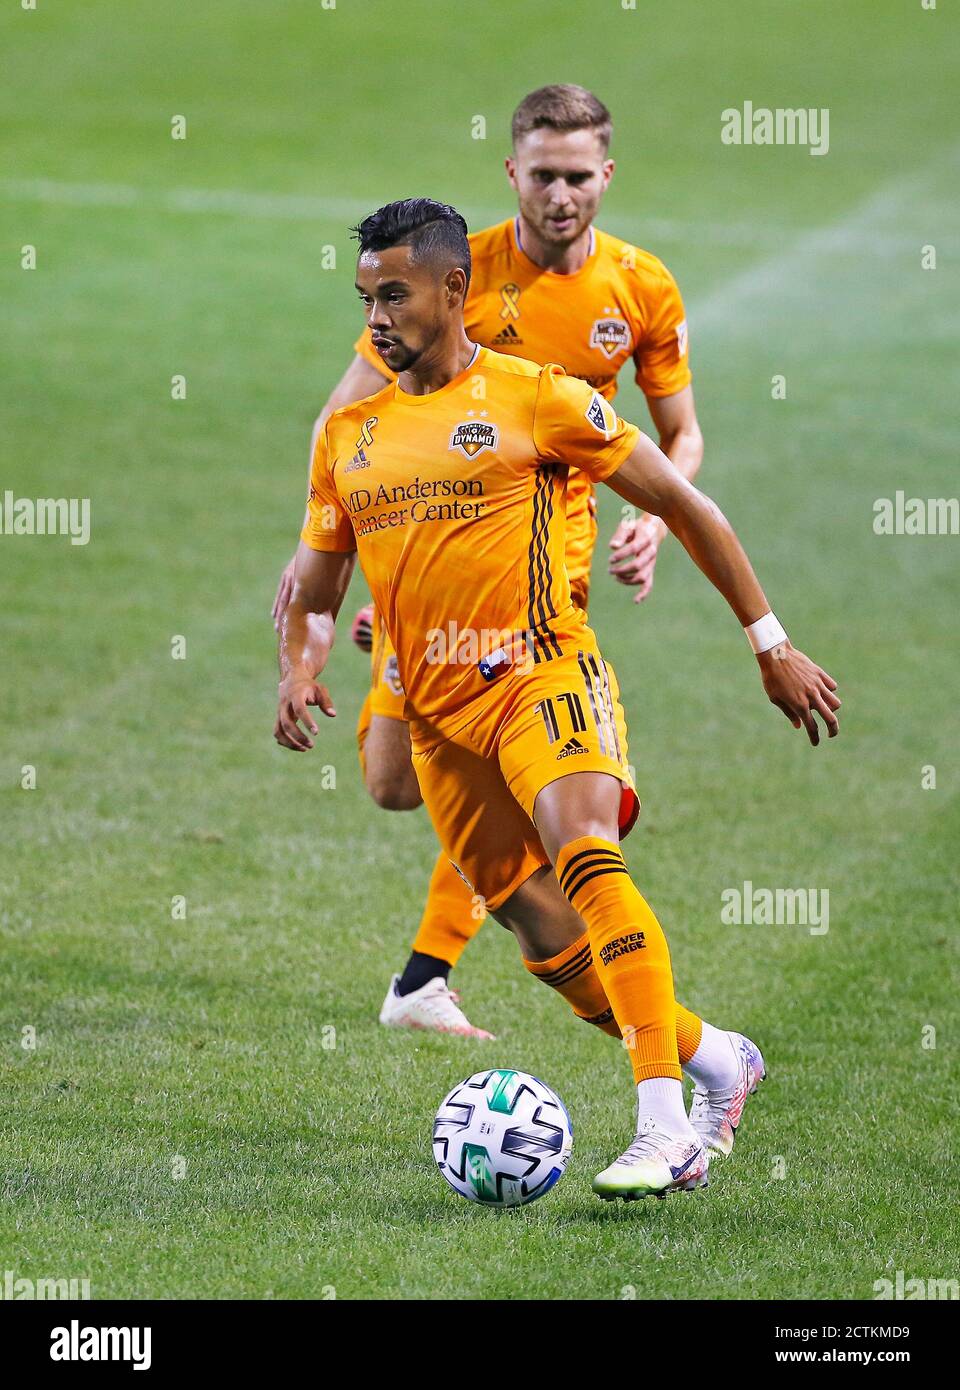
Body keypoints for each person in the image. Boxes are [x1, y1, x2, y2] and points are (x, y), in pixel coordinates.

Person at [273, 198, 840, 1198]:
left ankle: (664, 1124)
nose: (376, 317)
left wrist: (771, 642)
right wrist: (299, 666)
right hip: (443, 721)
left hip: (544, 671)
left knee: (585, 852)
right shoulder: (349, 437)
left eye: (394, 294)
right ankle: (714, 1054)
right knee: (542, 933)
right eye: (364, 297)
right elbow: (315, 590)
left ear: (457, 290)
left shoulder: (540, 398)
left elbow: (683, 502)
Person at [273, 85, 705, 1041]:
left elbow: (679, 439)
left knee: (527, 777)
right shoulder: (450, 272)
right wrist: (342, 544)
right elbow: (347, 415)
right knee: (391, 781)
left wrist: (659, 524)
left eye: (578, 177)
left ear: (607, 176)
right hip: (428, 558)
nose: (561, 196)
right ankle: (493, 959)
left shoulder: (640, 289)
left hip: (548, 567)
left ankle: (438, 976)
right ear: (513, 172)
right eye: (543, 176)